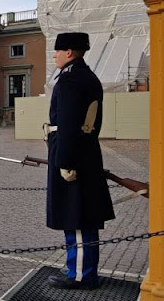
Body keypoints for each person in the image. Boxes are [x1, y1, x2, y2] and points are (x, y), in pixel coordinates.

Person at [45, 32, 115, 290]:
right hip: (84, 152)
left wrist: (65, 160)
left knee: (75, 217)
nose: (54, 55)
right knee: (80, 215)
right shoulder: (86, 77)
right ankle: (80, 268)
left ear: (70, 52)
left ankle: (80, 275)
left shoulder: (71, 79)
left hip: (73, 155)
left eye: (57, 51)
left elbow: (69, 124)